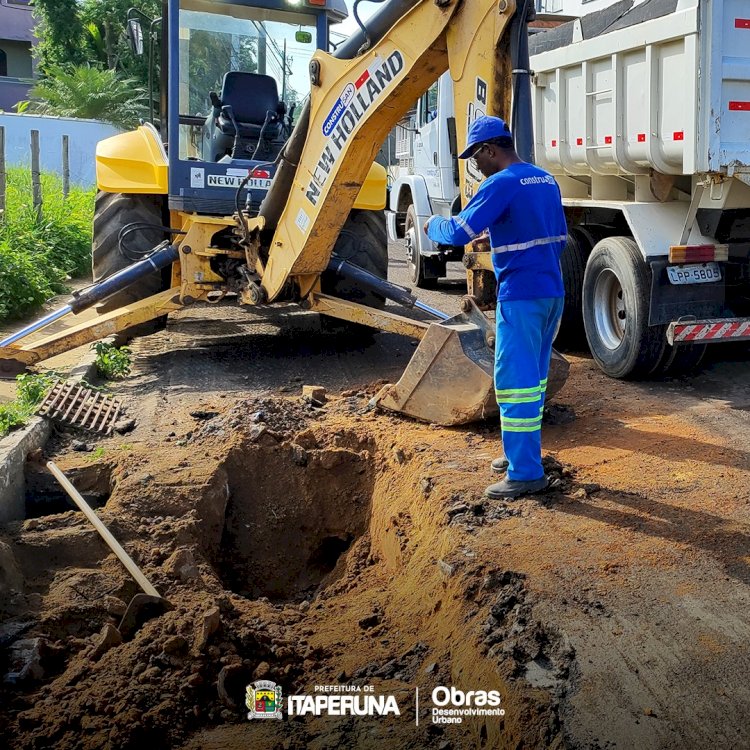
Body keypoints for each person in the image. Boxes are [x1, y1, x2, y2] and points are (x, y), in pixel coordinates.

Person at [423, 115, 566, 500]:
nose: (475, 166)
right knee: (533, 380)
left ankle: (524, 473)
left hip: (520, 296)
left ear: (490, 150)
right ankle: (520, 455)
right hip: (552, 292)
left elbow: (457, 233)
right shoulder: (544, 179)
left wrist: (430, 224)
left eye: (475, 158)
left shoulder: (500, 184)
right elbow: (558, 237)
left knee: (514, 384)